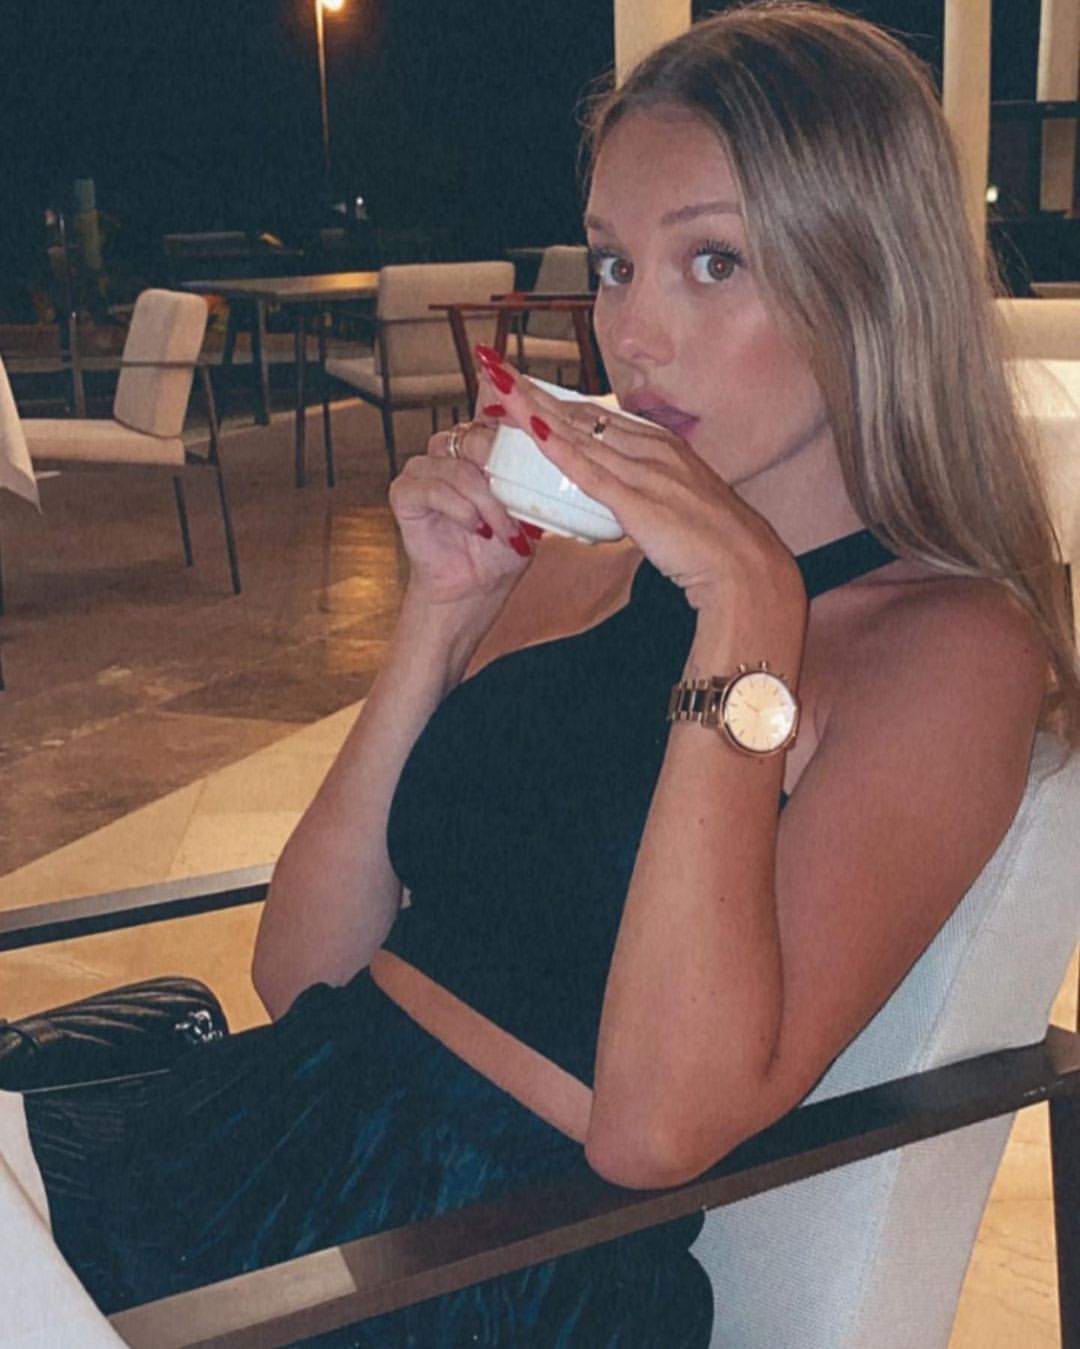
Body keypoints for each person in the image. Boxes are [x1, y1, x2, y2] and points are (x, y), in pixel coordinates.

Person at [8, 2, 1080, 1343]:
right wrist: (441, 617)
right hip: (274, 1145)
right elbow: (302, 968)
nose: (634, 333)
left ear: (873, 279)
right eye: (616, 263)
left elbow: (655, 1128)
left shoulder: (947, 649)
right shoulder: (584, 566)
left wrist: (747, 616)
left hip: (487, 1265)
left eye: (713, 261)